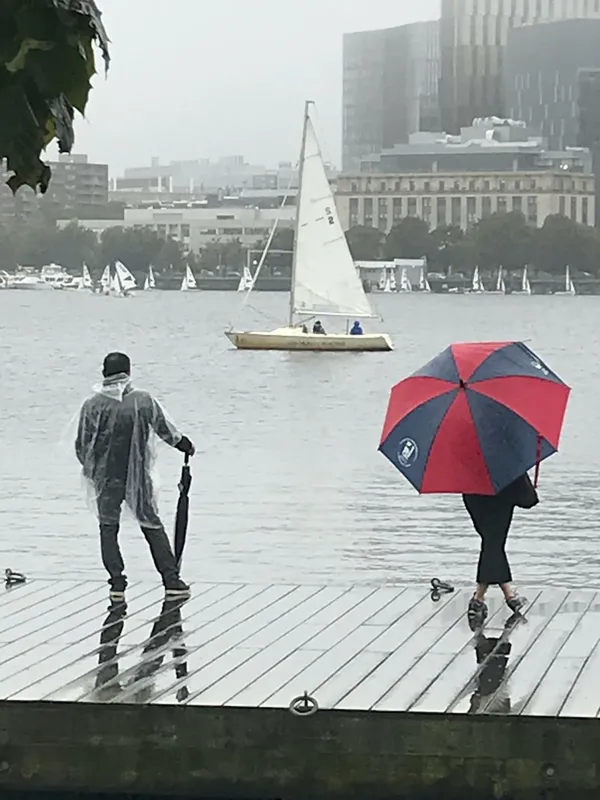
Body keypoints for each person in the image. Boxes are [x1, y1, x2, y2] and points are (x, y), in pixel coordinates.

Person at [75, 352, 195, 601]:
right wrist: (185, 446)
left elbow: (82, 445)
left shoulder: (92, 405)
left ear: (104, 373)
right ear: (128, 372)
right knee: (151, 524)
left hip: (105, 478)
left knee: (108, 527)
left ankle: (117, 583)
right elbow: (167, 431)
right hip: (137, 476)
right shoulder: (142, 401)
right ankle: (171, 579)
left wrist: (92, 472)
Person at [463, 471, 539, 630]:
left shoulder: (469, 462)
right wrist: (532, 489)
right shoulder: (507, 461)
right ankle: (480, 599)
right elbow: (528, 500)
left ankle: (506, 595)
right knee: (493, 546)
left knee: (492, 545)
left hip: (475, 500)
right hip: (501, 501)